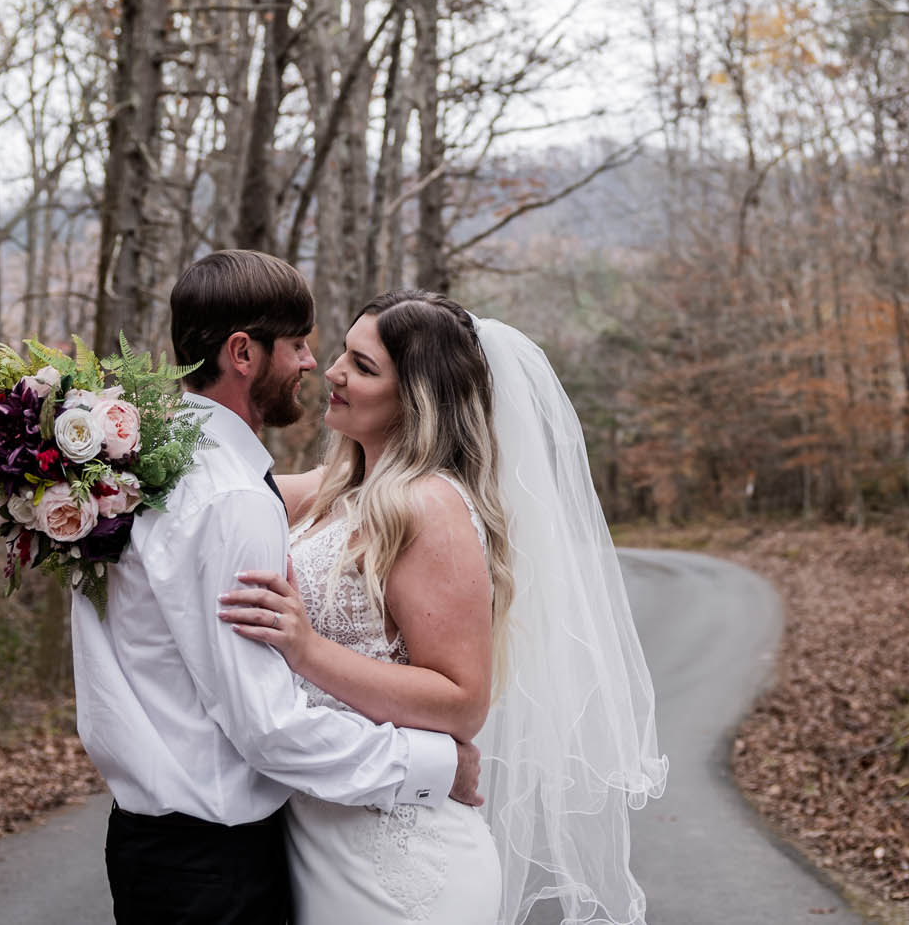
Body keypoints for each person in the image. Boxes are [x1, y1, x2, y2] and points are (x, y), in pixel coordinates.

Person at [220, 290, 665, 925]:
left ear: (418, 400)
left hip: (399, 862)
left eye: (364, 367)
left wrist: (307, 650)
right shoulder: (341, 488)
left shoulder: (431, 508)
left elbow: (462, 699)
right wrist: (90, 445)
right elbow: (222, 492)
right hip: (318, 833)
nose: (335, 373)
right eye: (344, 353)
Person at [71, 251, 483, 925]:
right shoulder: (230, 498)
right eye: (298, 344)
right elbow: (268, 727)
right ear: (243, 352)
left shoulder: (133, 469)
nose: (314, 366)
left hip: (167, 845)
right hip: (215, 865)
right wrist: (434, 764)